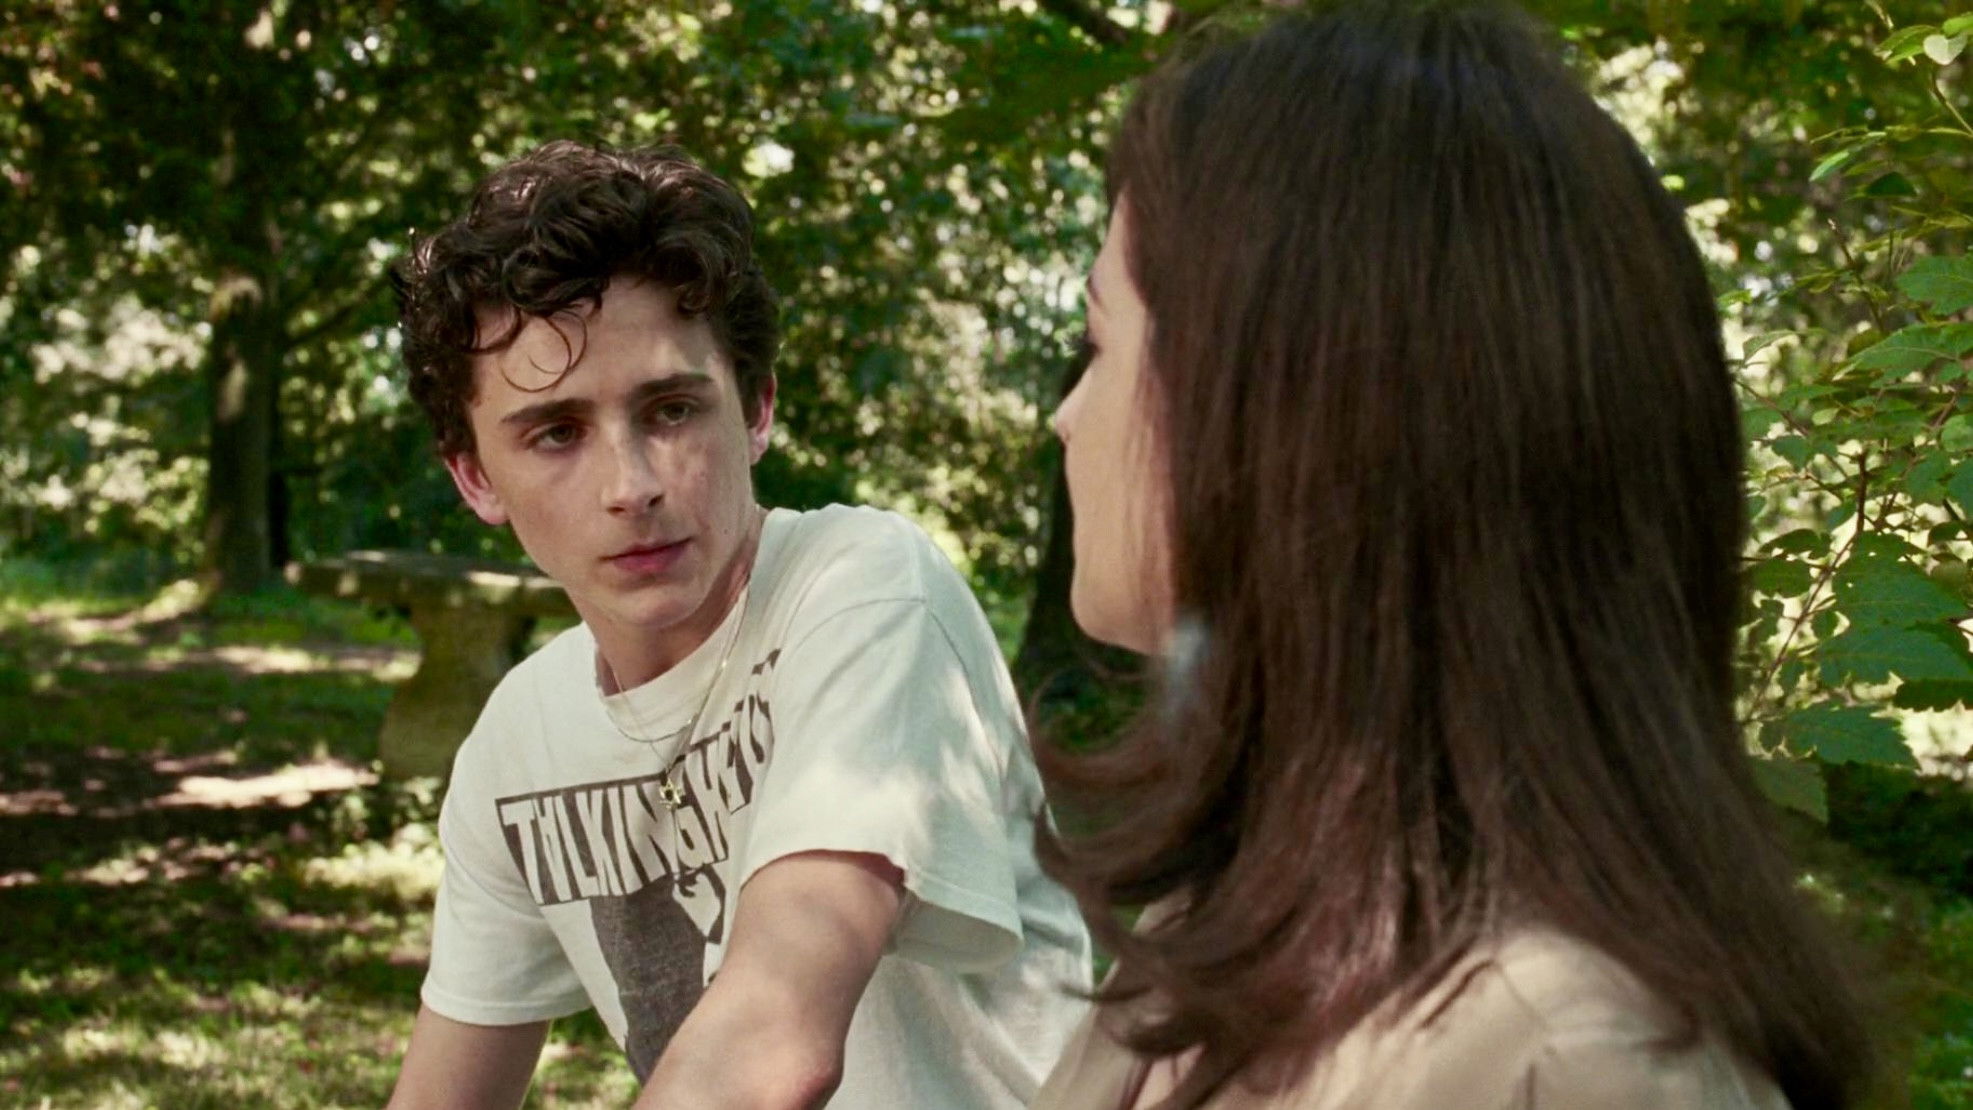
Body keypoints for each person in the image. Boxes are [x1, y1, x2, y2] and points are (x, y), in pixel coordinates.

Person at [1032, 3, 1872, 1108]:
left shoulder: (1567, 1063)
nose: (1064, 417)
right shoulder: (1237, 925)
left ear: (1285, 416)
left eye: (1101, 343)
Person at [381, 140, 1090, 1109]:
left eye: (670, 410)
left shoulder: (865, 591)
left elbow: (771, 1045)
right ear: (474, 476)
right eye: (556, 433)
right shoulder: (519, 742)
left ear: (755, 410)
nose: (630, 486)